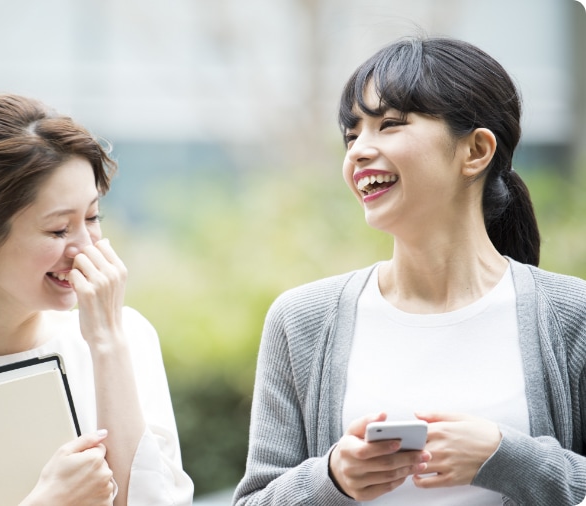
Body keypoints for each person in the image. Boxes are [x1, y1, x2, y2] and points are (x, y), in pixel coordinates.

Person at [233, 36, 586, 506]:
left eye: (390, 124)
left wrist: (507, 457)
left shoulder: (572, 315)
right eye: (352, 134)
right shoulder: (301, 319)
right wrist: (332, 479)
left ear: (476, 151)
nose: (358, 150)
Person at [0, 93, 194, 506]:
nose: (85, 247)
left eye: (93, 217)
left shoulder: (125, 338)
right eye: (59, 229)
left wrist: (108, 344)